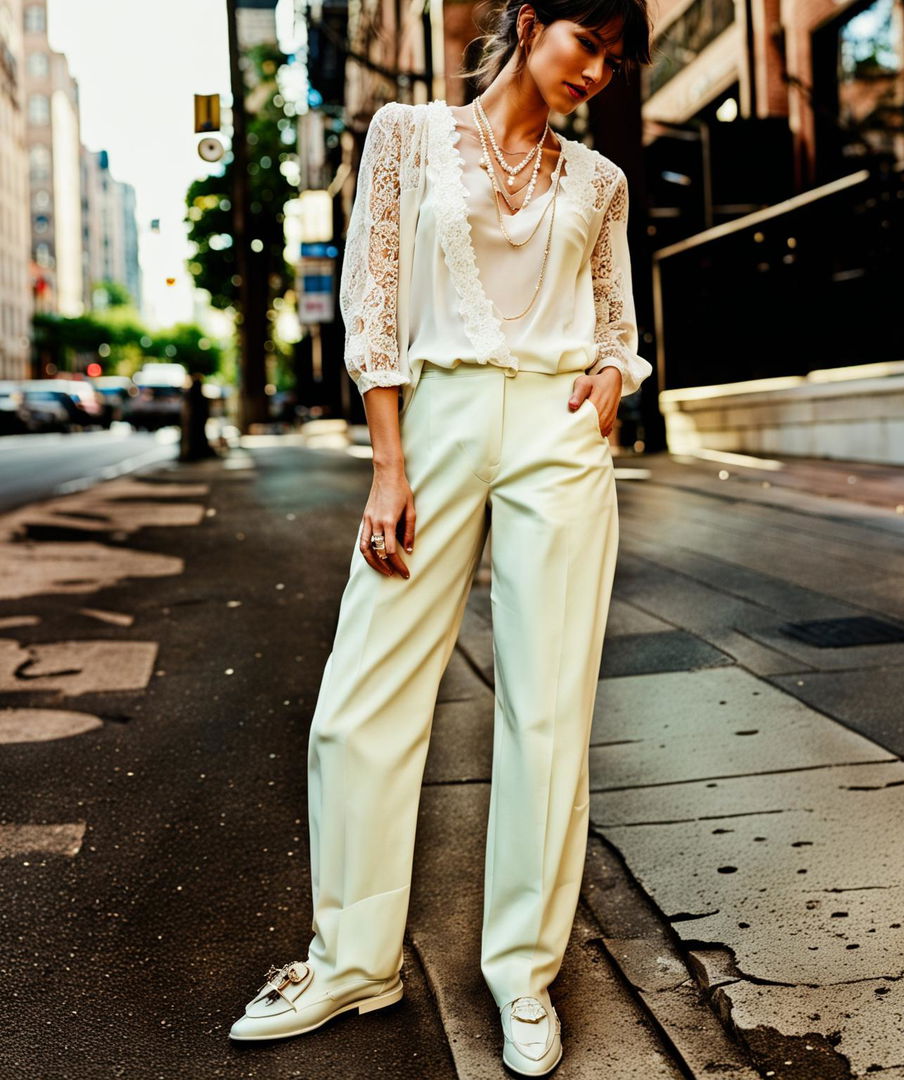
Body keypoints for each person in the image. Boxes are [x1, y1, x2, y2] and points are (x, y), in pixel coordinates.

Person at [229, 1, 652, 1074]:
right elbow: (374, 307)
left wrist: (605, 385)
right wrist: (388, 465)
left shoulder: (600, 183)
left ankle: (523, 975)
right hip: (441, 418)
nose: (596, 72)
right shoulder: (407, 137)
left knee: (548, 710)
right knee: (362, 693)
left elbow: (616, 325)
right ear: (527, 23)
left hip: (557, 433)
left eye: (613, 59)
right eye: (585, 44)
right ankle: (352, 960)